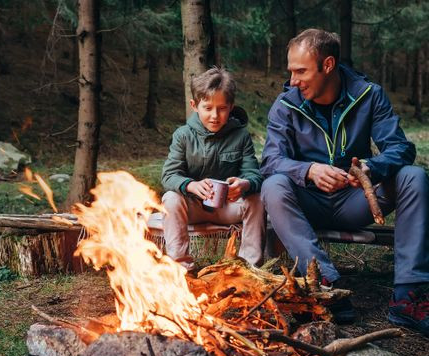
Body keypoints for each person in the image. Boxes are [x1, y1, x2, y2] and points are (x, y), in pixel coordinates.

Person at [261, 28, 429, 332]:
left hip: (358, 201)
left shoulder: (368, 94)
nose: (293, 80)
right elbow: (271, 162)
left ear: (327, 65)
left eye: (301, 71)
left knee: (413, 177)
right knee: (273, 185)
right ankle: (325, 284)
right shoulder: (286, 105)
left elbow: (401, 148)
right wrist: (309, 170)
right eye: (291, 71)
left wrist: (370, 168)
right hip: (307, 203)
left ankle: (408, 296)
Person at [161, 67, 265, 272]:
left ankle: (249, 269)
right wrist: (190, 186)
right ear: (194, 106)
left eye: (222, 108)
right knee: (170, 199)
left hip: (229, 207)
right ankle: (181, 269)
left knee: (257, 198)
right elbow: (168, 175)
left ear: (231, 107)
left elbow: (254, 175)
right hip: (194, 208)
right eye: (207, 108)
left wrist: (244, 184)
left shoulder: (240, 136)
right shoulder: (183, 135)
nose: (215, 116)